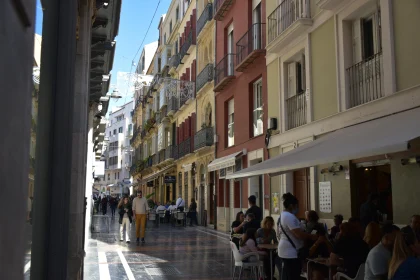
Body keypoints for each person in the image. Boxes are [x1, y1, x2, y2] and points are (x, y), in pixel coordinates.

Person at [278, 193, 317, 280]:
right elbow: (298, 234)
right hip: (290, 252)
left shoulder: (284, 215)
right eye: (296, 206)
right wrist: (311, 236)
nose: (297, 208)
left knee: (288, 275)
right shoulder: (289, 216)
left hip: (287, 251)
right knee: (292, 276)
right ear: (292, 205)